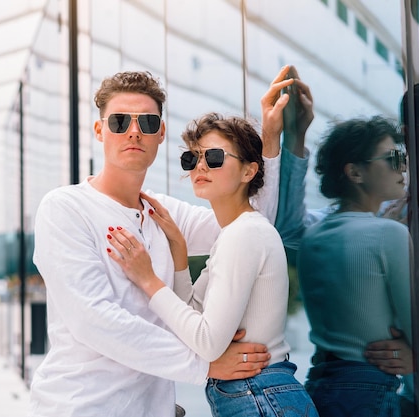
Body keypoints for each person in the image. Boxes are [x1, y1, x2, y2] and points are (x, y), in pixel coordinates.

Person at [29, 68, 296, 417]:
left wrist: (269, 141)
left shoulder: (163, 213)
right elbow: (92, 319)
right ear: (99, 130)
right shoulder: (65, 208)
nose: (134, 132)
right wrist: (204, 364)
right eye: (120, 122)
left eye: (148, 123)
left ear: (161, 134)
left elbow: (250, 216)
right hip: (80, 407)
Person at [106, 112, 318, 416]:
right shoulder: (234, 234)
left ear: (248, 171)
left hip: (258, 395)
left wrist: (148, 279)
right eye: (193, 159)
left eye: (214, 157)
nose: (200, 166)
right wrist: (179, 250)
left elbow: (206, 342)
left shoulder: (245, 234)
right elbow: (189, 318)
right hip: (257, 395)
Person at [274, 82, 417, 415]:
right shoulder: (388, 232)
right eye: (393, 158)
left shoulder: (314, 236)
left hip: (320, 385)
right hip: (371, 388)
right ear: (355, 172)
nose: (402, 167)